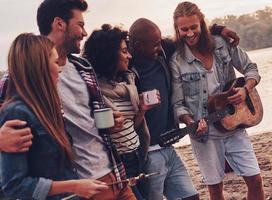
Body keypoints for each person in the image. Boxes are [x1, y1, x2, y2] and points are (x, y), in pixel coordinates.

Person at [128, 18, 239, 200]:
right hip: (148, 154)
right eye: (155, 44)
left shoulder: (164, 50)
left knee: (191, 196)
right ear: (138, 46)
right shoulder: (126, 69)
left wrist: (219, 28)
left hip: (168, 146)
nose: (159, 46)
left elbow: (189, 35)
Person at [36, 0, 136, 199]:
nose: (84, 32)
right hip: (82, 188)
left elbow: (89, 119)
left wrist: (109, 123)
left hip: (116, 174)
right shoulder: (27, 75)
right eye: (80, 25)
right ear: (59, 24)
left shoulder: (83, 67)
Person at [170, 2, 264, 200]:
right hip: (206, 135)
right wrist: (190, 122)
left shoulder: (222, 43)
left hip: (235, 126)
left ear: (202, 24)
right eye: (184, 29)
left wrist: (245, 90)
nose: (189, 33)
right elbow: (178, 105)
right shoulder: (176, 61)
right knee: (215, 189)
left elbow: (251, 68)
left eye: (193, 27)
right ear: (177, 29)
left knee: (255, 178)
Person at [0, 33, 108, 199]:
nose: (60, 69)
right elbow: (14, 185)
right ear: (40, 67)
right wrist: (75, 186)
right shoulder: (17, 112)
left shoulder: (45, 108)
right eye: (56, 62)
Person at [83, 24, 158, 199]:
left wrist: (142, 111)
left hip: (138, 155)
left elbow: (132, 126)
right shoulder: (93, 92)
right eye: (124, 51)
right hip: (118, 163)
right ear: (109, 55)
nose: (129, 56)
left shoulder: (127, 84)